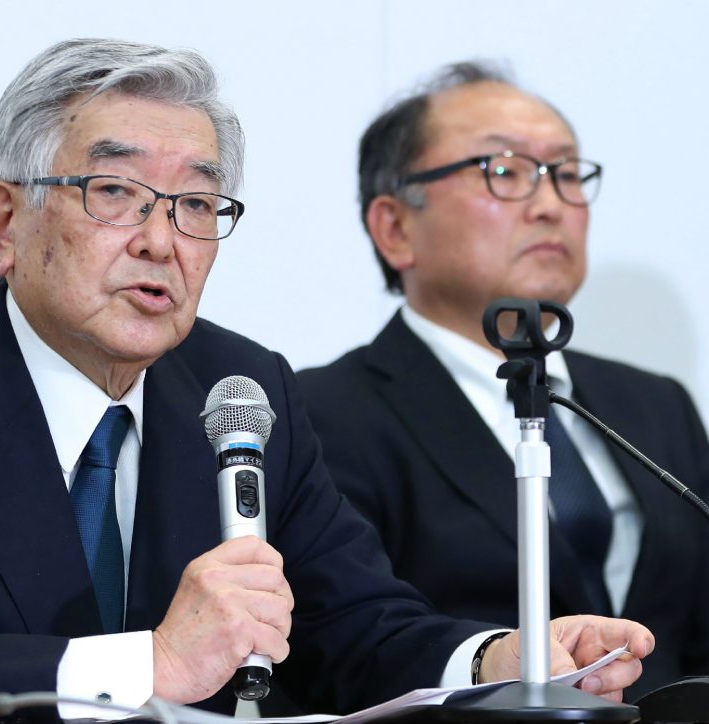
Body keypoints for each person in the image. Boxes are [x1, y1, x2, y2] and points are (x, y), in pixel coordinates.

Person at [0, 42, 652, 719]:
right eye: (114, 192)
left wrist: (505, 657)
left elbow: (358, 627)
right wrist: (148, 665)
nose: (161, 240)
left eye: (195, 204)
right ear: (5, 221)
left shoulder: (239, 386)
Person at [297, 61, 709, 701]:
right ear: (395, 227)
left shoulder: (656, 405)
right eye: (505, 172)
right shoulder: (322, 414)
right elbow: (345, 640)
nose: (550, 205)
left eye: (567, 174)